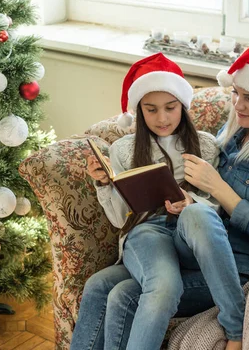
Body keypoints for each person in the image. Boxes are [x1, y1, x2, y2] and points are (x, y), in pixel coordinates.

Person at [72, 34, 249, 350]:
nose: (238, 105)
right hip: (195, 250)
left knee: (125, 292)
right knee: (97, 285)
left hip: (241, 268)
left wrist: (215, 187)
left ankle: (236, 328)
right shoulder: (234, 133)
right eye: (236, 93)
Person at [70, 53, 221, 350]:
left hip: (187, 239)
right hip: (145, 234)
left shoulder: (206, 145)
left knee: (101, 286)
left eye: (170, 108)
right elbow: (119, 220)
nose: (162, 118)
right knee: (161, 285)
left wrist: (191, 203)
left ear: (184, 106)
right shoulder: (125, 150)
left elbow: (216, 206)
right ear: (139, 110)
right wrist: (104, 185)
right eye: (151, 110)